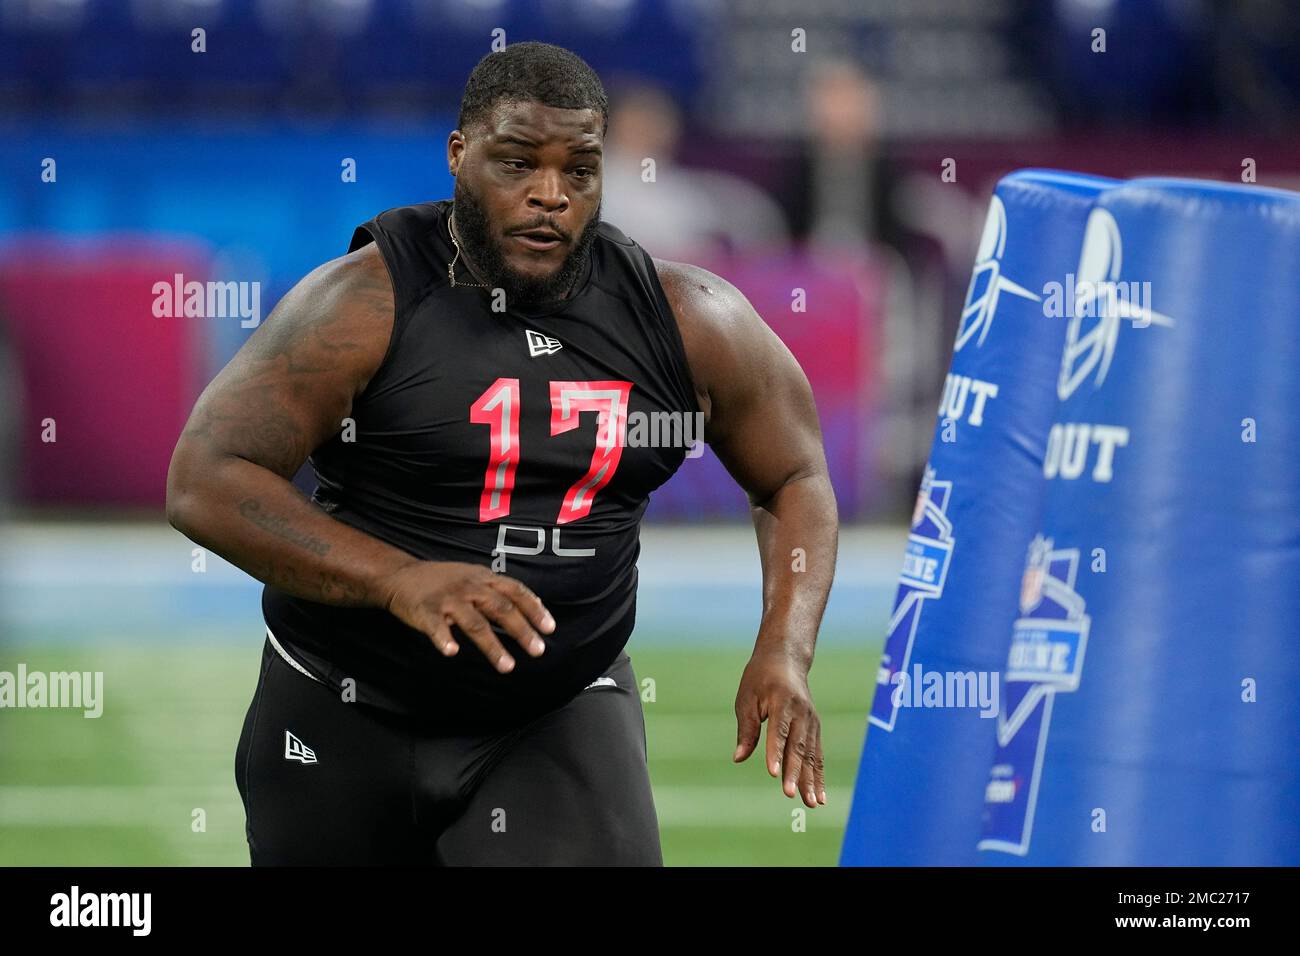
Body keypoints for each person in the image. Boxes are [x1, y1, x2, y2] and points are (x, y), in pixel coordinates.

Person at [166, 41, 838, 866]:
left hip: (556, 704)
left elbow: (794, 473)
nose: (549, 195)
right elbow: (205, 479)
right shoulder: (363, 302)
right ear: (459, 155)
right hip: (340, 701)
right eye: (517, 162)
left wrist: (785, 645)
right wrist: (399, 578)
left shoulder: (689, 317)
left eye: (580, 171)